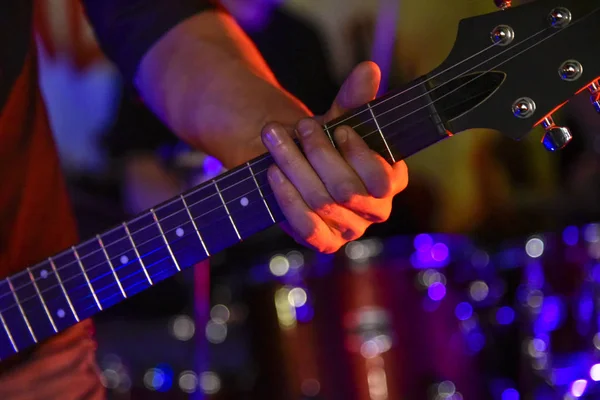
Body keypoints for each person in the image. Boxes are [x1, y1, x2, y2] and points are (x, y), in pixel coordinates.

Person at [0, 1, 408, 399]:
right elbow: (131, 158)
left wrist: (278, 141)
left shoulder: (300, 37)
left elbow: (147, 12)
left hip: (37, 333)